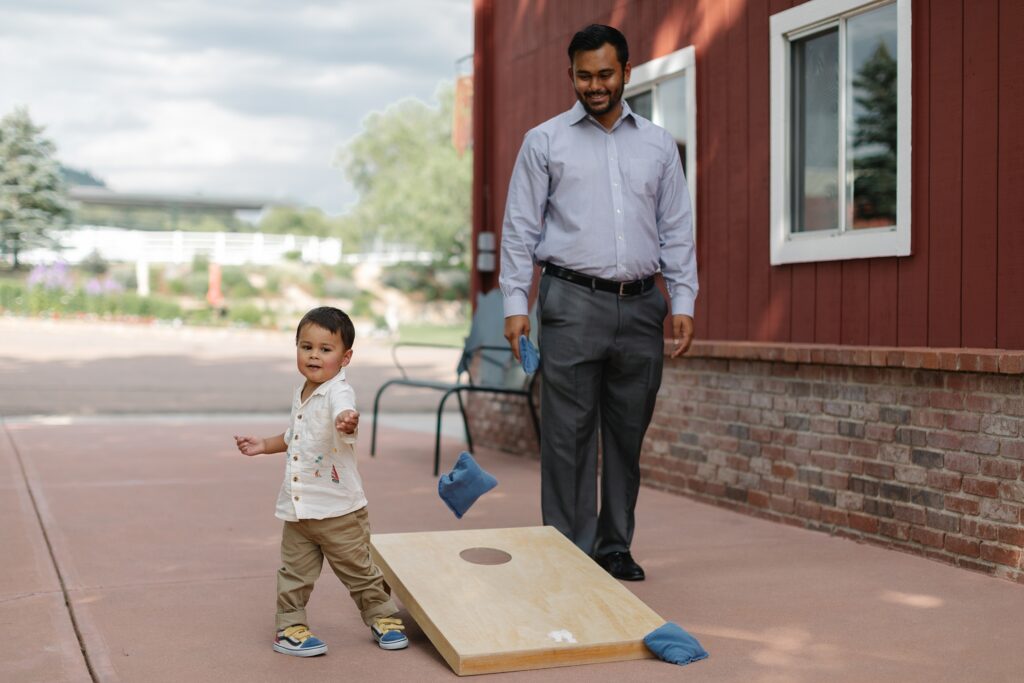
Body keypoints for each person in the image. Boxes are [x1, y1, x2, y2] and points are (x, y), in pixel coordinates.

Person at [499, 24, 698, 581]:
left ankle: (614, 546)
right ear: (571, 76)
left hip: (641, 307)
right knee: (568, 435)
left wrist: (683, 297)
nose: (595, 85)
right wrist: (516, 303)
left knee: (626, 434)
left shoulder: (659, 145)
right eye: (584, 76)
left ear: (626, 72)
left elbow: (677, 229)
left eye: (605, 74)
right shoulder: (545, 141)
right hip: (570, 302)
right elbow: (519, 229)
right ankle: (567, 551)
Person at [234, 306, 408, 656]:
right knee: (294, 574)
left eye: (325, 349)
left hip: (337, 512)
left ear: (345, 358)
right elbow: (296, 435)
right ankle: (290, 627)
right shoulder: (302, 392)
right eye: (305, 346)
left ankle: (382, 616)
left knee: (359, 570)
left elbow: (345, 411)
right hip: (298, 510)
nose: (314, 355)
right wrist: (264, 445)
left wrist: (348, 420)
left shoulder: (338, 393)